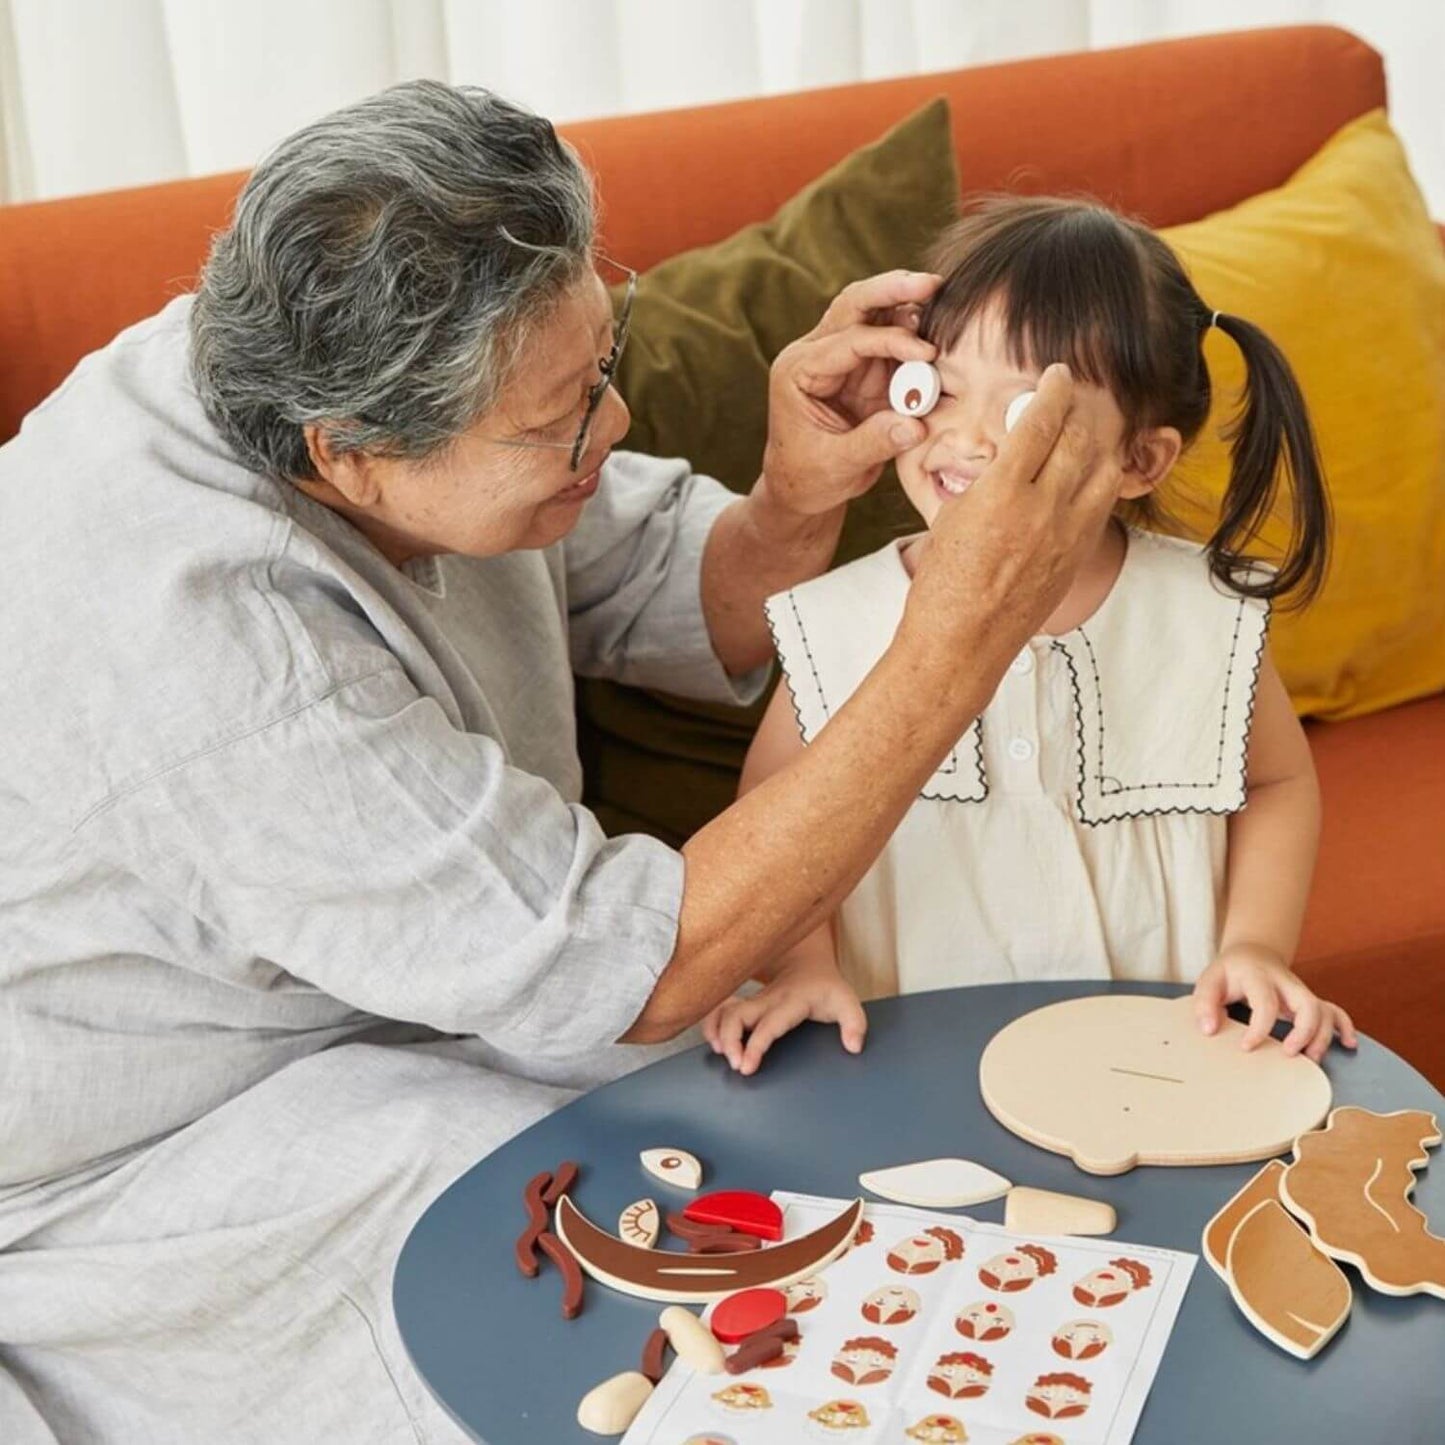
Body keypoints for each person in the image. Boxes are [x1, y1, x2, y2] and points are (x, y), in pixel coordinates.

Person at [0, 90, 1121, 1443]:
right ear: (348, 454)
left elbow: (623, 570)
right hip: (164, 1138)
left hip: (436, 974)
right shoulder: (216, 658)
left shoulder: (284, 327)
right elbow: (629, 967)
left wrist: (784, 509)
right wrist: (966, 629)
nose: (615, 420)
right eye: (562, 420)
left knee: (804, 1163)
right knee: (623, 1305)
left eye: (603, 355)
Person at [705, 196, 1359, 1077]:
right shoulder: (838, 620)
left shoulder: (1200, 610)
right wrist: (802, 963)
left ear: (1138, 460)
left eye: (1025, 413)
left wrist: (1255, 946)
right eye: (940, 388)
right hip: (903, 1051)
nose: (965, 437)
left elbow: (1277, 782)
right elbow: (773, 815)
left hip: (1152, 1057)